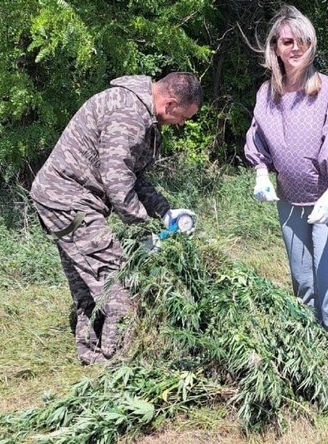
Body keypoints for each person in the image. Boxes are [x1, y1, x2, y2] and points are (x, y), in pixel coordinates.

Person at [30, 72, 202, 365]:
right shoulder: (129, 114)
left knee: (88, 280)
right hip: (68, 201)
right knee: (119, 280)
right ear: (170, 104)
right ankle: (118, 358)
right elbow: (118, 184)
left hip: (62, 197)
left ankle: (89, 350)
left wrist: (165, 212)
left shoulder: (136, 106)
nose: (182, 124)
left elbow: (133, 177)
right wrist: (146, 231)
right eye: (183, 117)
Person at [244, 5, 328, 361]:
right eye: (287, 41)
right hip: (290, 202)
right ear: (275, 47)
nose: (295, 48)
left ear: (312, 45)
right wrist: (261, 171)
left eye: (302, 41)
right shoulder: (267, 94)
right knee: (303, 284)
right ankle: (311, 351)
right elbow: (257, 138)